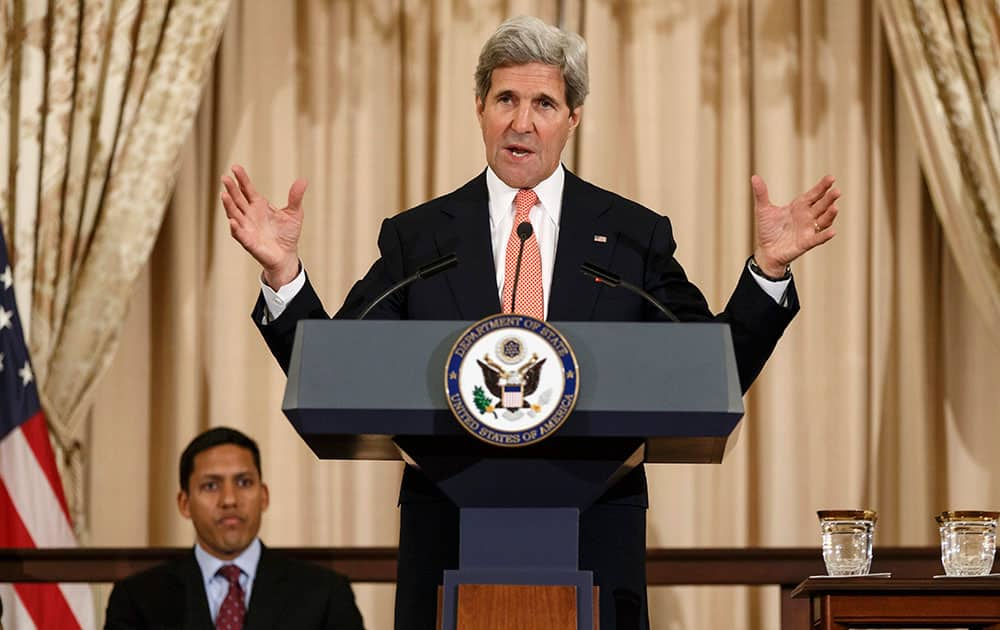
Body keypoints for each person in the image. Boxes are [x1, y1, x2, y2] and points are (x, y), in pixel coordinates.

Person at [220, 16, 839, 630]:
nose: (522, 122)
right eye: (506, 99)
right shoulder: (421, 236)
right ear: (480, 109)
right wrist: (284, 275)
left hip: (595, 529)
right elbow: (339, 368)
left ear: (573, 118)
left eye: (544, 102)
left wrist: (767, 270)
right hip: (447, 530)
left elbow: (713, 368)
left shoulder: (630, 234)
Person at [104, 427, 364, 630]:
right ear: (184, 503)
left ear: (263, 496)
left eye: (243, 482)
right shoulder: (137, 599)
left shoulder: (324, 594)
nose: (229, 499)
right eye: (211, 486)